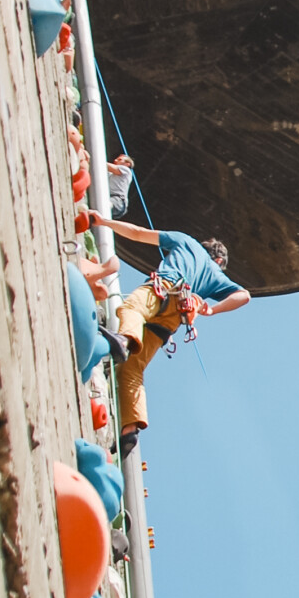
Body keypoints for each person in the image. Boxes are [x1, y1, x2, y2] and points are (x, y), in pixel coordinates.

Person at [87, 211, 250, 442]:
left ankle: (124, 341)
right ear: (220, 261)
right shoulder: (216, 274)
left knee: (131, 309)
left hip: (164, 288)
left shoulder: (185, 241)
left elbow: (137, 233)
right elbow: (244, 296)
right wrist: (211, 310)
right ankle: (129, 429)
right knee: (133, 370)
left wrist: (103, 221)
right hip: (175, 317)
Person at [105, 154, 134, 219]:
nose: (115, 160)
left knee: (104, 205)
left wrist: (94, 159)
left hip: (118, 201)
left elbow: (105, 165)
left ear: (127, 164)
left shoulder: (126, 170)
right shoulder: (110, 174)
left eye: (120, 160)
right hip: (112, 199)